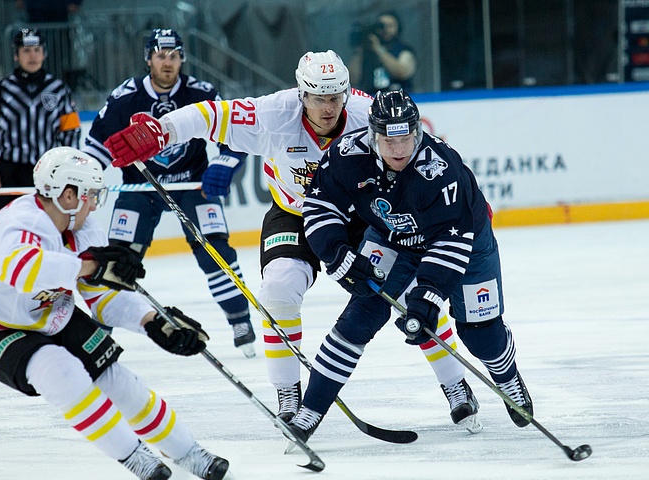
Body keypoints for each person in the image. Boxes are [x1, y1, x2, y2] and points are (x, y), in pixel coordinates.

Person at [100, 50, 482, 433]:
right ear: (301, 93)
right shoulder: (273, 114)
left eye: (335, 97)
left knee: (405, 294)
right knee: (279, 290)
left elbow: (423, 148)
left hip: (367, 220)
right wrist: (162, 131)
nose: (328, 107)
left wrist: (467, 202)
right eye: (318, 98)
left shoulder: (369, 113)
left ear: (347, 93)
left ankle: (455, 384)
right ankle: (287, 392)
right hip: (295, 215)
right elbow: (208, 116)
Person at [0, 146, 231, 480]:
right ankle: (134, 456)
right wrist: (91, 266)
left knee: (115, 378)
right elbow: (22, 271)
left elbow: (103, 300)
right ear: (69, 195)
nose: (95, 203)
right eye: (91, 194)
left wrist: (152, 321)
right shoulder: (18, 222)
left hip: (50, 314)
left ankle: (189, 452)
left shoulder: (86, 231)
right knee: (59, 370)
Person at [287, 89, 533, 443]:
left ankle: (507, 376)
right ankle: (310, 411)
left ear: (417, 131)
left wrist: (427, 296)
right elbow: (319, 205)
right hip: (393, 238)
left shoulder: (441, 169)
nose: (399, 149)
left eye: (406, 138)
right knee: (360, 315)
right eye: (389, 139)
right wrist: (337, 252)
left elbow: (450, 240)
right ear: (373, 135)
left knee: (480, 333)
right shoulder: (346, 156)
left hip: (466, 240)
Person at [83, 28, 257, 358]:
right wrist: (88, 178)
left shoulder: (201, 92)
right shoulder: (125, 97)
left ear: (182, 59)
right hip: (140, 187)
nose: (168, 62)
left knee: (216, 252)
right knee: (118, 259)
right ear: (148, 58)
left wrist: (224, 162)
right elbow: (97, 146)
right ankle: (99, 329)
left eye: (174, 56)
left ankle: (240, 320)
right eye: (161, 55)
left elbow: (234, 135)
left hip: (190, 185)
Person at [0, 28, 80, 303]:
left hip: (42, 175)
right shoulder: (1, 89)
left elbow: (71, 134)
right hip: (2, 172)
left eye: (36, 50)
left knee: (47, 230)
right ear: (16, 55)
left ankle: (49, 290)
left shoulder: (58, 90)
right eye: (25, 51)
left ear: (44, 53)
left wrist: (63, 169)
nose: (32, 56)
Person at [348, 11, 416, 94]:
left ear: (398, 28)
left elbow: (403, 72)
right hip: (372, 98)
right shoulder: (367, 52)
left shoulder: (404, 50)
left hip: (398, 98)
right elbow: (352, 79)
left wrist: (378, 49)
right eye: (381, 26)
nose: (385, 30)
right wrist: (360, 50)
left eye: (390, 26)